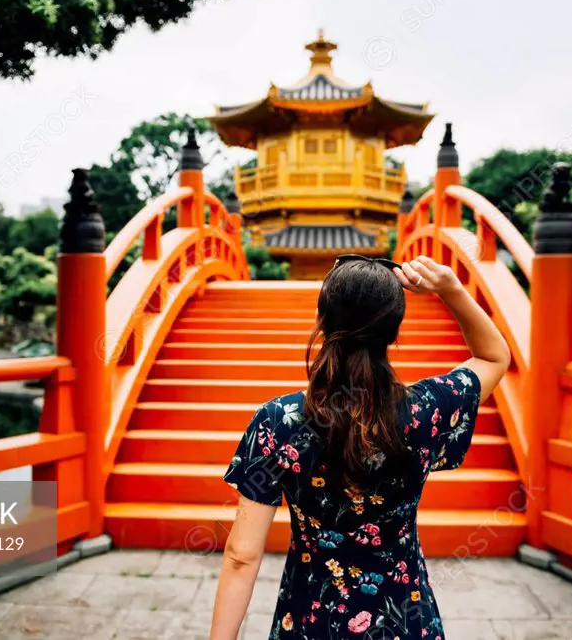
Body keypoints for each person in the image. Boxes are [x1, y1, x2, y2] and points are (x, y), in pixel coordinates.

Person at [210, 255, 511, 640]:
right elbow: (494, 356)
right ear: (394, 330)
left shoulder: (277, 422)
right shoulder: (426, 410)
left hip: (309, 625)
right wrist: (451, 290)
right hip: (405, 621)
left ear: (322, 320)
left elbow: (241, 556)